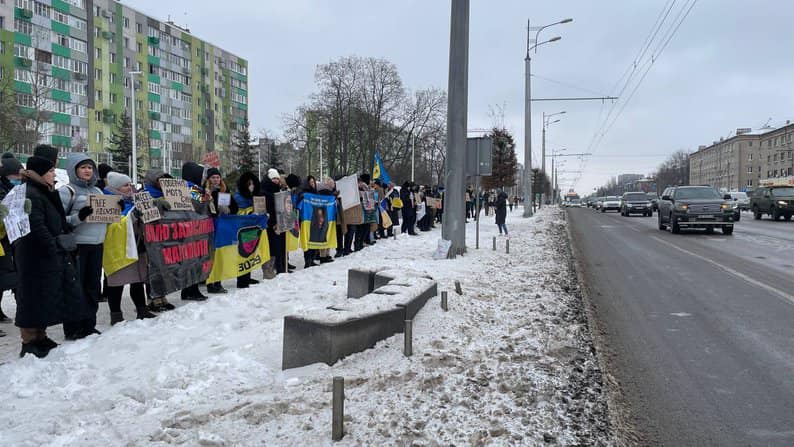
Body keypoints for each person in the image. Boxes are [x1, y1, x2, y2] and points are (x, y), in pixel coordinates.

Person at [16, 155, 86, 357]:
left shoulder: (43, 191)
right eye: (51, 171)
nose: (54, 174)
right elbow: (35, 226)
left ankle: (40, 335)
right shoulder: (30, 194)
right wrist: (54, 245)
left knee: (44, 296)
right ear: (39, 173)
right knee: (31, 297)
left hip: (47, 254)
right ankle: (29, 341)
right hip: (34, 256)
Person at [59, 153, 108, 340]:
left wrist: (114, 210)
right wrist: (79, 217)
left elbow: (107, 219)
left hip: (96, 245)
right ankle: (73, 327)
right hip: (77, 247)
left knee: (92, 286)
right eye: (83, 167)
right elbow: (59, 221)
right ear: (74, 170)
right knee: (75, 288)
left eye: (90, 167)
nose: (87, 171)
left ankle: (89, 324)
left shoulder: (98, 192)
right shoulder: (67, 191)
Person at [103, 172, 157, 324]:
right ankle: (116, 316)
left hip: (137, 246)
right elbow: (111, 226)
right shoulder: (106, 201)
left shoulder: (132, 201)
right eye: (125, 185)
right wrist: (133, 217)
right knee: (116, 284)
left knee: (138, 280)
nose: (130, 188)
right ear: (116, 188)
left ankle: (142, 310)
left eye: (130, 185)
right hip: (117, 250)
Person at [142, 169, 176, 312]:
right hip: (150, 236)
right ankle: (153, 298)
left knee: (164, 267)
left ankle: (162, 296)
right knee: (153, 268)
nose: (163, 183)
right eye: (160, 180)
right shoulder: (143, 193)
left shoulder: (169, 194)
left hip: (166, 236)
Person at [204, 167, 237, 294]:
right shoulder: (204, 191)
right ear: (209, 179)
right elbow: (201, 208)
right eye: (213, 177)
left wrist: (227, 209)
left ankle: (218, 282)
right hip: (209, 227)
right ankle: (210, 282)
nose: (216, 180)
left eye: (218, 177)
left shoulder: (224, 190)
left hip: (222, 227)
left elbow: (235, 207)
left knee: (220, 256)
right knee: (211, 256)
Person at [180, 162, 209, 301]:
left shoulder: (183, 187)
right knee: (194, 261)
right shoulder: (192, 189)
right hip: (193, 228)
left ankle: (187, 290)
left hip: (189, 228)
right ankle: (192, 290)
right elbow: (201, 205)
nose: (203, 177)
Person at [0, 153, 23, 325]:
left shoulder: (18, 188)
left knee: (10, 276)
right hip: (2, 239)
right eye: (14, 176)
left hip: (12, 237)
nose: (17, 179)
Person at [233, 171, 263, 288]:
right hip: (242, 230)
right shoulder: (238, 197)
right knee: (242, 254)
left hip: (252, 230)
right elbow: (238, 214)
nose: (252, 186)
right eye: (249, 184)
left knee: (250, 252)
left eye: (253, 184)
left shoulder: (254, 197)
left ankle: (248, 276)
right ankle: (241, 280)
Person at [261, 168, 288, 275]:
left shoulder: (279, 190)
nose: (276, 181)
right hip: (270, 224)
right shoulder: (264, 191)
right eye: (274, 178)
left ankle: (280, 267)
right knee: (271, 247)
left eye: (277, 178)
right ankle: (269, 270)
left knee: (280, 246)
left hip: (280, 223)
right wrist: (272, 223)